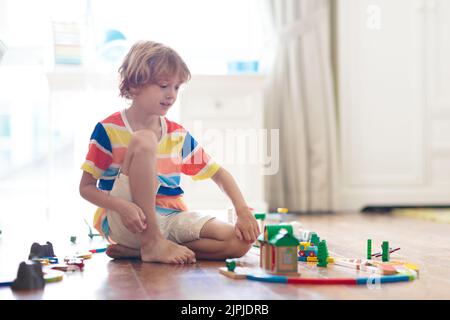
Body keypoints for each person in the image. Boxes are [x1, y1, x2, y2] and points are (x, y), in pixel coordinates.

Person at [79, 40, 260, 264]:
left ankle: (143, 250)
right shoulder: (108, 130)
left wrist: (242, 211)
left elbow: (219, 174)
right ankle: (151, 242)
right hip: (127, 219)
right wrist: (122, 206)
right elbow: (85, 188)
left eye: (176, 87)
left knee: (240, 242)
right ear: (134, 85)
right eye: (164, 85)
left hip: (171, 217)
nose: (171, 94)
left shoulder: (178, 135)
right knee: (145, 139)